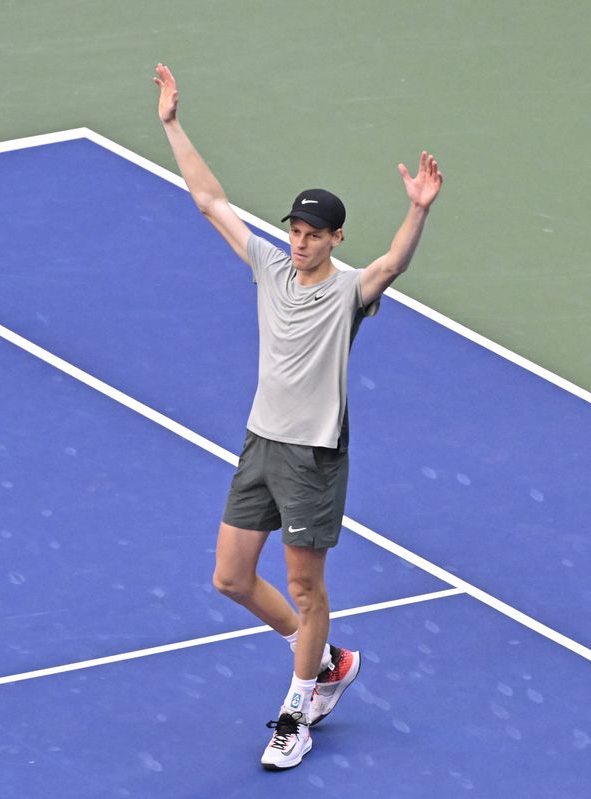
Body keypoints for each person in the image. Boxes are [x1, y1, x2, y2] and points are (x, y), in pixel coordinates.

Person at [152, 62, 443, 771]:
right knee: (230, 577)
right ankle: (325, 661)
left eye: (314, 232)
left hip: (313, 456)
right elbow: (209, 200)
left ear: (337, 239)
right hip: (260, 444)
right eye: (295, 227)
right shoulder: (269, 266)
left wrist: (418, 210)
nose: (300, 239)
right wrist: (172, 124)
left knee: (308, 587)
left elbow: (394, 266)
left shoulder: (350, 292)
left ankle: (296, 711)